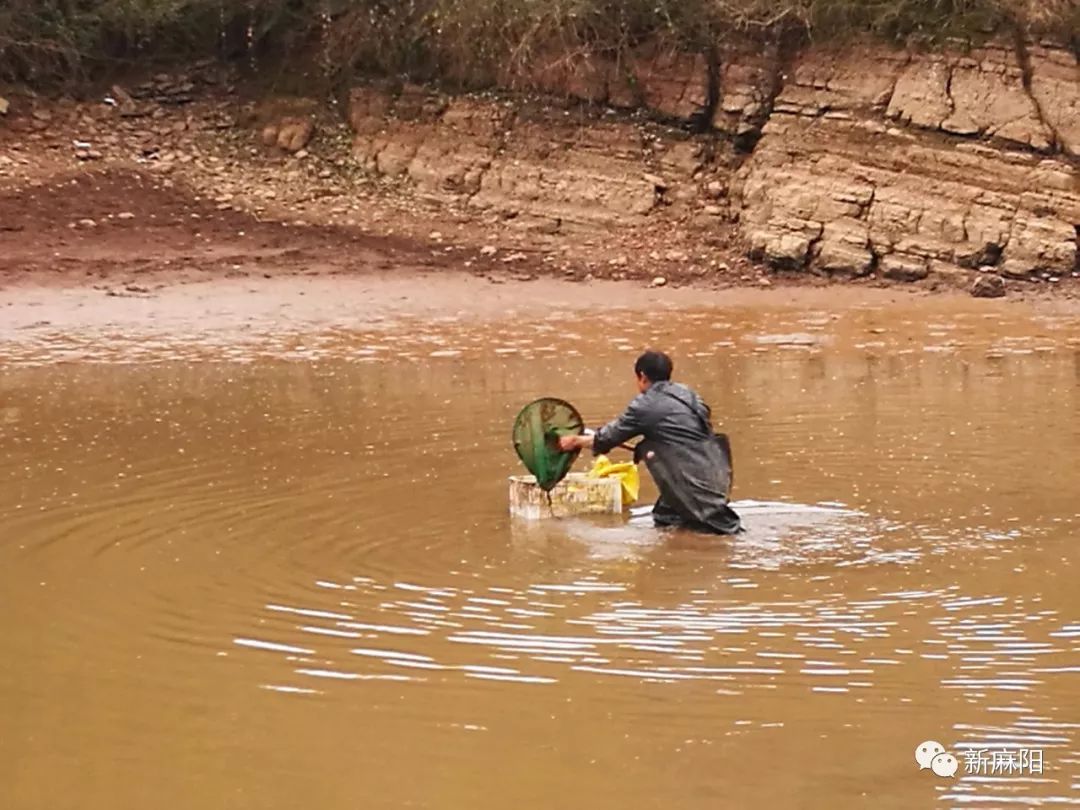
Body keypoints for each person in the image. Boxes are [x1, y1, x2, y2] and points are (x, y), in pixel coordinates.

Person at [558, 350, 742, 535]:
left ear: (642, 376)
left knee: (720, 529)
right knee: (666, 518)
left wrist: (575, 441)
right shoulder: (689, 395)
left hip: (688, 479)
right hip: (714, 469)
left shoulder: (645, 405)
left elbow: (605, 439)